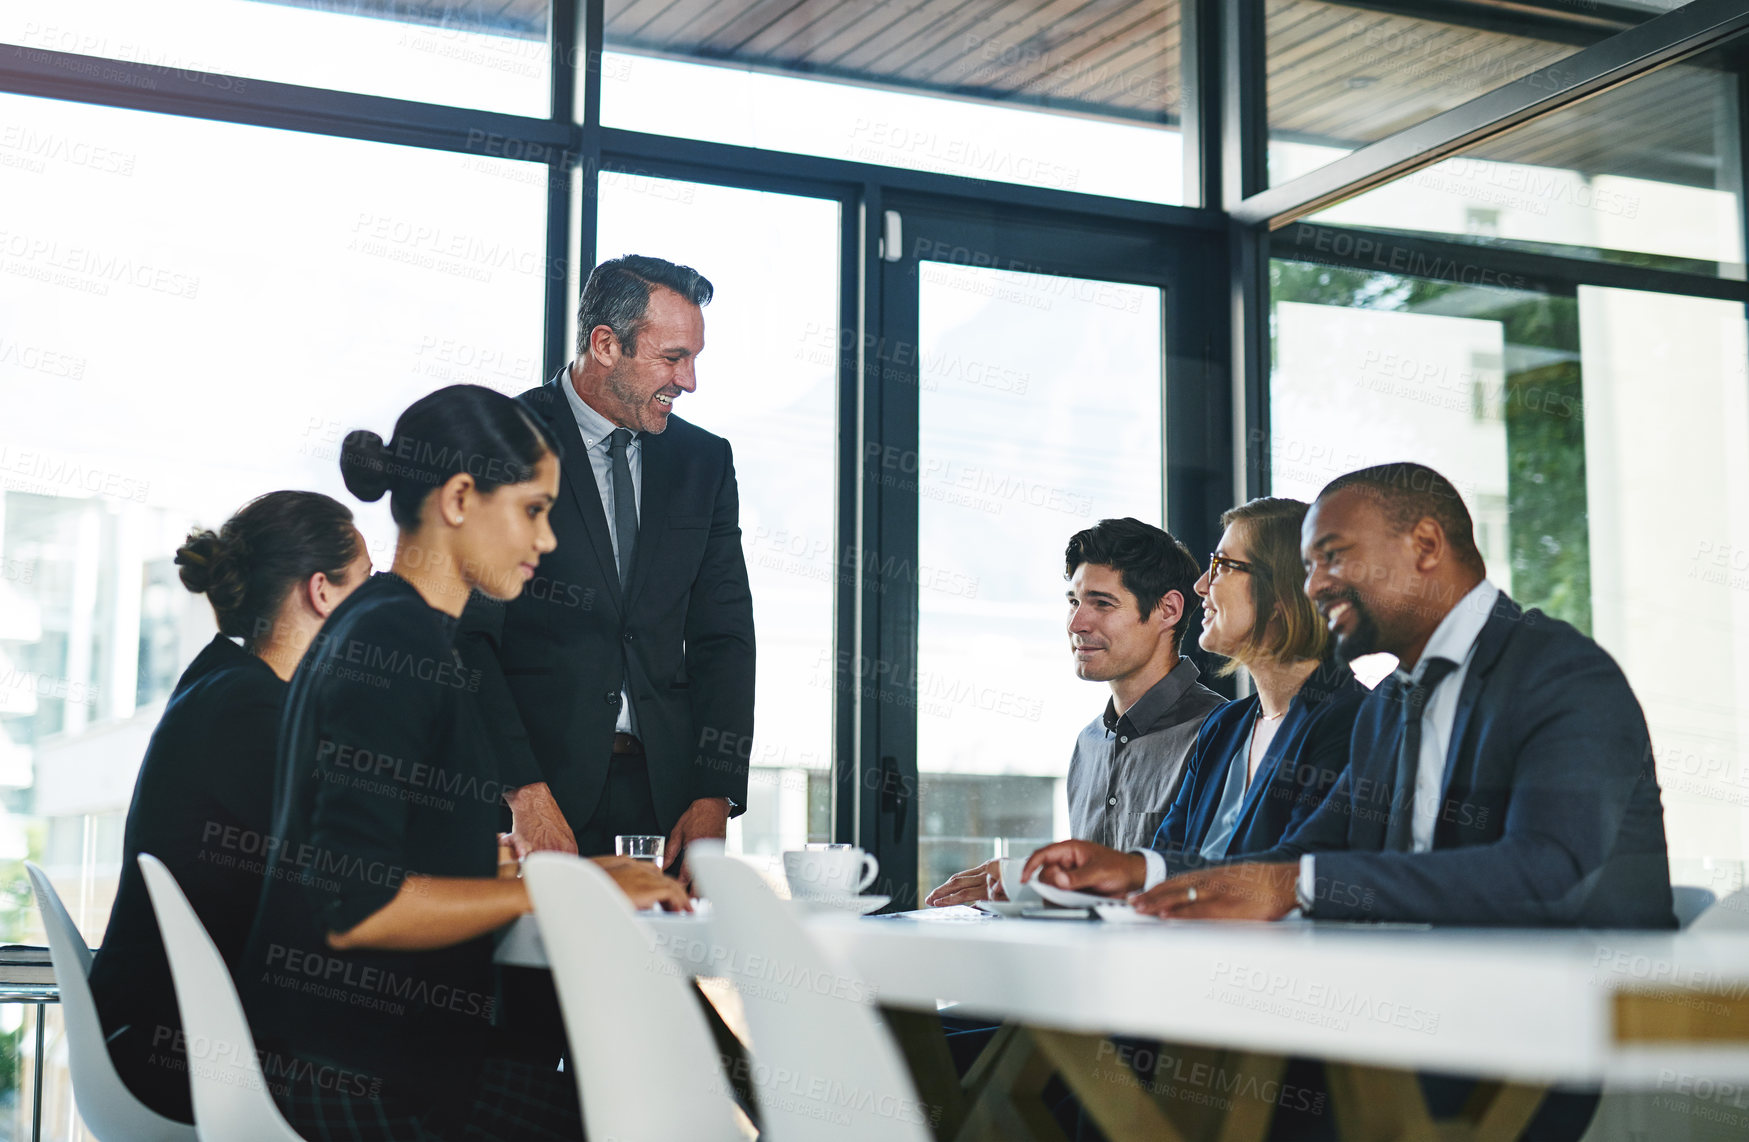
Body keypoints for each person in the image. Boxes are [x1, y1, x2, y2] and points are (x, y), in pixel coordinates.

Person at [242, 385, 688, 1142]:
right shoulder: (402, 646)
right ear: (458, 498)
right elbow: (358, 909)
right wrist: (572, 888)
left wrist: (485, 863)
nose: (545, 542)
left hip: (347, 1059)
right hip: (355, 1085)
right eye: (533, 510)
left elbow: (362, 844)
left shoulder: (378, 623)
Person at [462, 255, 755, 884]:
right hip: (532, 808)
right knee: (534, 981)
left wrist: (715, 795)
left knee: (659, 981)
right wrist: (522, 791)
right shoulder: (503, 438)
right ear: (605, 344)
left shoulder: (705, 461)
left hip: (664, 805)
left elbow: (724, 638)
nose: (690, 380)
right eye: (673, 357)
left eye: (695, 358)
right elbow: (468, 638)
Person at [87, 491, 370, 1123]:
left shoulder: (223, 683)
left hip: (165, 1039)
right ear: (322, 592)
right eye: (368, 585)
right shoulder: (251, 710)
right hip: (188, 1059)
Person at [1010, 498, 1366, 904]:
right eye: (1074, 602)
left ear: (1283, 590)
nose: (1201, 586)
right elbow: (1167, 858)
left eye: (1222, 567)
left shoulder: (1356, 720)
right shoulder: (1225, 727)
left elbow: (1297, 872)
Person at [927, 517, 1223, 907]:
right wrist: (1025, 882)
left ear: (1167, 610)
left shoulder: (1222, 732)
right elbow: (1095, 897)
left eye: (1102, 603)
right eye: (1073, 601)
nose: (1076, 623)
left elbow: (1215, 882)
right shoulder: (1089, 743)